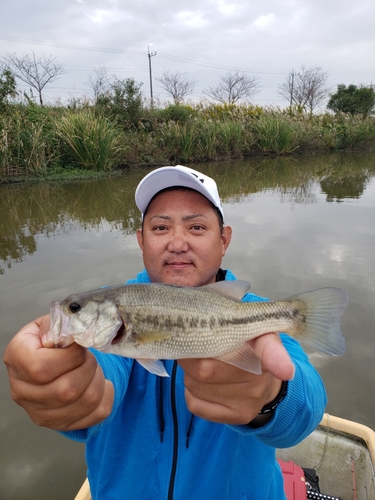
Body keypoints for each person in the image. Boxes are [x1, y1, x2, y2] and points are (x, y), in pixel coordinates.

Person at [3, 165, 327, 500]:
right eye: (160, 227)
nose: (177, 243)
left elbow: (307, 408)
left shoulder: (255, 314)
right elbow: (101, 370)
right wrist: (72, 389)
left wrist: (272, 396)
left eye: (196, 227)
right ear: (141, 240)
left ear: (224, 239)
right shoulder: (113, 308)